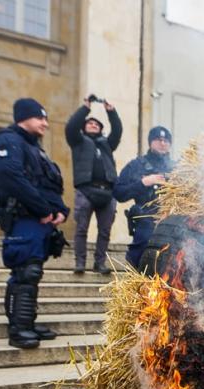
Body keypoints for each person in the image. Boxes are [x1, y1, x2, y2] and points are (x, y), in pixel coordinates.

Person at [0, 98, 69, 349]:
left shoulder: (35, 149)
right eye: (39, 117)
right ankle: (18, 329)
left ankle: (28, 324)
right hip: (24, 219)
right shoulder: (8, 141)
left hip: (38, 222)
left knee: (32, 272)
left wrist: (61, 210)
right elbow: (11, 178)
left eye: (45, 117)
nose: (45, 122)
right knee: (25, 273)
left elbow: (48, 185)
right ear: (23, 117)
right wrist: (43, 209)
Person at [65, 95, 123, 275]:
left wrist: (111, 111)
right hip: (85, 190)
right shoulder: (78, 141)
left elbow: (117, 131)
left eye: (96, 124)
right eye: (89, 123)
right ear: (84, 127)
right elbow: (71, 127)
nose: (93, 125)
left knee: (105, 231)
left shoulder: (107, 144)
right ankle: (80, 262)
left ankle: (100, 263)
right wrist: (85, 107)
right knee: (81, 229)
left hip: (107, 191)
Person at [113, 126, 173, 270]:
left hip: (171, 222)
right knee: (139, 258)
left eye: (166, 140)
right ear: (150, 142)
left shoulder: (176, 168)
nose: (162, 143)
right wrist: (143, 183)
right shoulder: (136, 165)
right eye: (158, 140)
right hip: (146, 220)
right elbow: (118, 192)